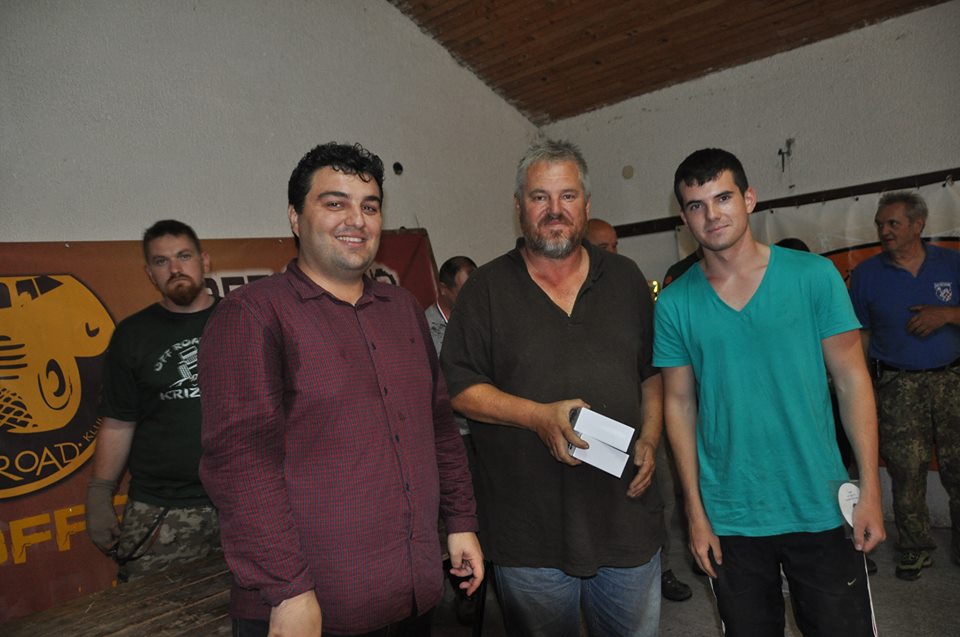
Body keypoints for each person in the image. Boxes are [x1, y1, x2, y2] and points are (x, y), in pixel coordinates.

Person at [198, 142, 483, 637]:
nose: (356, 220)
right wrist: (287, 588)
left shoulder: (403, 309)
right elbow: (241, 467)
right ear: (295, 217)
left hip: (412, 593)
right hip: (311, 608)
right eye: (335, 203)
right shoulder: (253, 315)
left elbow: (439, 425)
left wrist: (461, 521)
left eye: (369, 207)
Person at [655, 148, 885, 636]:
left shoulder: (813, 276)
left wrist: (869, 488)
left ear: (749, 199)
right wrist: (694, 512)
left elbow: (852, 382)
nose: (712, 215)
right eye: (696, 205)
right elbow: (678, 404)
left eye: (723, 198)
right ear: (684, 218)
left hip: (818, 501)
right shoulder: (674, 303)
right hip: (730, 514)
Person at [441, 139, 664, 637]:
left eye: (567, 196)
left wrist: (650, 438)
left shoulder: (626, 279)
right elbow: (458, 386)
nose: (554, 210)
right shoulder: (485, 290)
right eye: (540, 197)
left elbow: (652, 374)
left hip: (625, 516)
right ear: (519, 206)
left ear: (586, 204)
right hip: (530, 532)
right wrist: (537, 416)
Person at [85, 219, 220, 582]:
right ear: (149, 273)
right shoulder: (132, 335)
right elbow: (119, 420)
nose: (175, 268)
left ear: (205, 261)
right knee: (153, 609)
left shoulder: (242, 320)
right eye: (162, 261)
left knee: (253, 608)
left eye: (184, 256)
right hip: (163, 506)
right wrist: (100, 493)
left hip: (243, 502)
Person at [850, 191, 960, 580]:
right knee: (905, 470)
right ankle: (914, 547)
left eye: (893, 223)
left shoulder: (952, 263)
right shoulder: (866, 274)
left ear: (918, 224)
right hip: (897, 384)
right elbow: (860, 335)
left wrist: (947, 314)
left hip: (951, 380)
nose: (884, 231)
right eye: (880, 224)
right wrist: (862, 383)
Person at [586, 218, 692, 603]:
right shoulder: (570, 298)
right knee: (606, 503)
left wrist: (651, 430)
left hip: (644, 417)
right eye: (604, 247)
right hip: (595, 424)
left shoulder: (629, 288)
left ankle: (662, 569)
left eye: (616, 245)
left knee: (656, 495)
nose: (613, 253)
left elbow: (653, 364)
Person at [425, 254, 480, 624]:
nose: (472, 296)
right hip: (450, 438)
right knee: (456, 518)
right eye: (464, 289)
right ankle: (464, 594)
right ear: (444, 290)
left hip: (482, 433)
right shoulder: (424, 328)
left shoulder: (476, 319)